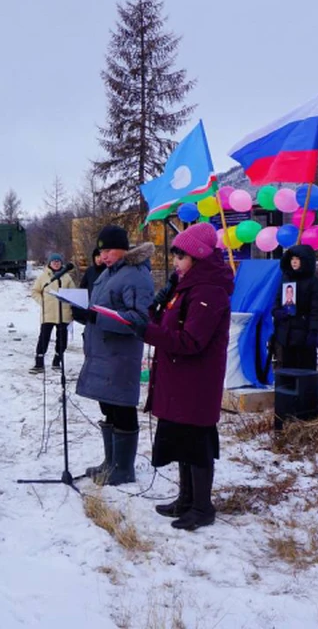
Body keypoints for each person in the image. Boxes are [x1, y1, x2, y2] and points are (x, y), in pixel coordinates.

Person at [140, 223, 233, 531]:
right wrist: (152, 312)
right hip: (180, 377)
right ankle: (185, 500)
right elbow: (170, 327)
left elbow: (192, 341)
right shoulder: (187, 288)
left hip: (197, 381)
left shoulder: (209, 291)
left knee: (196, 442)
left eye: (180, 257)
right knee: (182, 438)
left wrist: (146, 332)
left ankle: (202, 507)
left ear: (198, 256)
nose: (176, 263)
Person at [75, 227, 154, 486]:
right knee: (108, 405)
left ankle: (123, 469)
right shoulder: (109, 273)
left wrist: (96, 317)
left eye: (109, 250)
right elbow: (100, 307)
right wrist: (83, 313)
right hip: (102, 351)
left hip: (121, 354)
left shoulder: (136, 275)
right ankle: (111, 462)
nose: (105, 256)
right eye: (101, 251)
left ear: (124, 248)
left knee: (122, 406)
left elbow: (141, 319)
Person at [272, 245, 318, 370]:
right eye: (292, 259)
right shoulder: (286, 279)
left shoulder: (314, 282)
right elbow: (277, 302)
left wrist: (314, 331)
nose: (294, 262)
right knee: (287, 371)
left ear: (305, 261)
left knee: (304, 372)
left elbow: (316, 310)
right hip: (285, 334)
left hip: (304, 333)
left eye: (298, 259)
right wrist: (277, 312)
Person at [29, 253, 75, 372]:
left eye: (58, 261)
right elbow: (35, 291)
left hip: (63, 314)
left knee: (62, 339)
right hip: (48, 314)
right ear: (49, 263)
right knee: (43, 338)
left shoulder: (67, 277)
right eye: (53, 261)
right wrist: (42, 301)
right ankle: (39, 363)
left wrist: (70, 306)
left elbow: (73, 294)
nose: (56, 263)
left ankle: (57, 360)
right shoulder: (43, 277)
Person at [72, 247, 106, 326]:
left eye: (100, 257)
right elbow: (82, 287)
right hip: (90, 305)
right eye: (97, 257)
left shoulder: (108, 270)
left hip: (104, 306)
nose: (99, 259)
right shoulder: (90, 271)